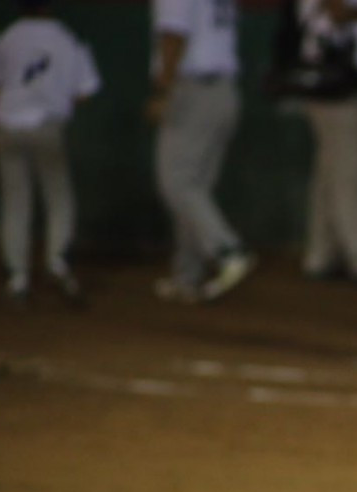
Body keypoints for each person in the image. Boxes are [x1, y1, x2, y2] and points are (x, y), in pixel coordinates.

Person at [0, 0, 100, 305]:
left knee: (16, 202)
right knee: (58, 195)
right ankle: (57, 261)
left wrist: (17, 103)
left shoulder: (6, 36)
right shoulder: (66, 38)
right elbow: (86, 90)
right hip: (48, 125)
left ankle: (18, 277)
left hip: (8, 126)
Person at [148, 0, 255, 303]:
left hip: (194, 90)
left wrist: (162, 91)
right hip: (224, 91)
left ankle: (227, 249)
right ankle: (187, 275)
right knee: (195, 189)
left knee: (177, 181)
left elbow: (174, 36)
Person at [291, 0, 357, 281]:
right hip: (332, 77)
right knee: (346, 169)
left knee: (330, 168)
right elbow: (338, 12)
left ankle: (319, 255)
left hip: (354, 77)